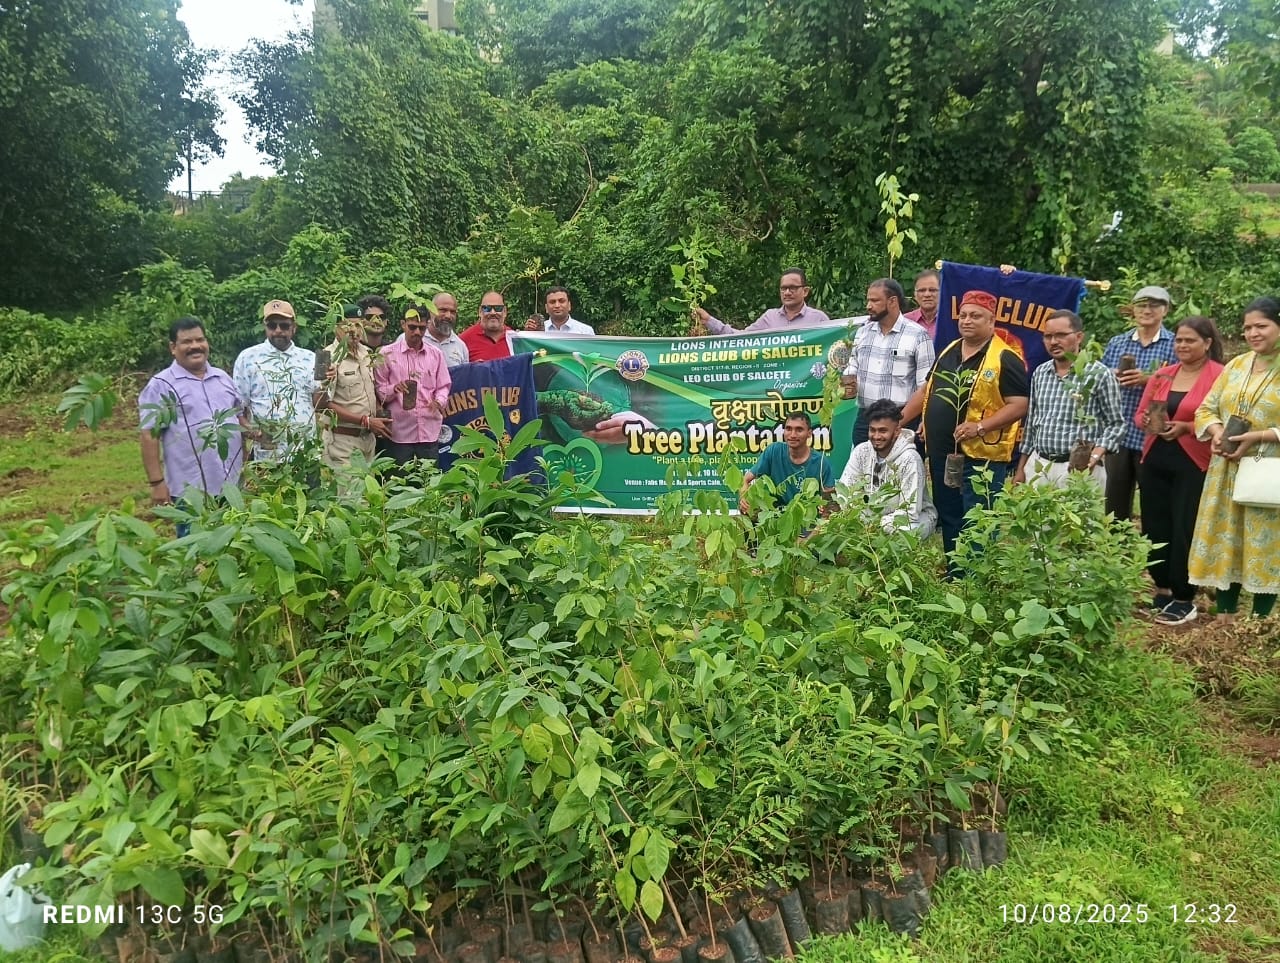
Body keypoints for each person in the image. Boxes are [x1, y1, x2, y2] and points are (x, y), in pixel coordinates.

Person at [903, 289, 1029, 562]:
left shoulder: (1005, 358)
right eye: (963, 315)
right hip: (944, 453)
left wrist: (981, 426)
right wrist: (904, 419)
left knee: (979, 517)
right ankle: (955, 572)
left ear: (992, 321)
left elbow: (1019, 404)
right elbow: (928, 390)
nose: (967, 320)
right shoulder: (949, 350)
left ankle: (978, 578)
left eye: (976, 316)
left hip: (981, 455)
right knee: (948, 512)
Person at [1188, 297, 1280, 621]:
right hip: (1226, 469)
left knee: (1264, 543)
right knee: (1226, 539)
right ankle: (1225, 619)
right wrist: (1215, 431)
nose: (1253, 333)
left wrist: (1258, 436)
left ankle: (1259, 623)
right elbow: (1207, 408)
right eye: (1247, 328)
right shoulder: (1237, 365)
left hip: (1266, 470)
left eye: (1261, 326)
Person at [1133, 316, 1225, 625]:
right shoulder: (1163, 374)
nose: (1182, 346)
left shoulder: (1220, 376)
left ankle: (1185, 595)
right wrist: (1145, 421)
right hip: (1156, 457)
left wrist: (1187, 426)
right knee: (1155, 523)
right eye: (1179, 340)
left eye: (1190, 340)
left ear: (1207, 343)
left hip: (1193, 461)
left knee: (1185, 525)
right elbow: (1140, 414)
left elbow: (1222, 418)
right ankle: (1162, 588)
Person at [139, 316, 248, 535]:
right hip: (191, 491)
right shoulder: (162, 385)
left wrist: (255, 435)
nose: (195, 346)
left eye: (200, 340)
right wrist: (156, 483)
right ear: (173, 347)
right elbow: (150, 435)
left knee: (235, 542)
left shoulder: (222, 378)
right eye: (187, 342)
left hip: (233, 485)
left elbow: (239, 419)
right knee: (198, 550)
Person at [1012, 309, 1124, 490]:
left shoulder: (1099, 374)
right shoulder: (1041, 372)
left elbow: (1116, 424)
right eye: (1048, 336)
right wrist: (1022, 469)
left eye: (1061, 335)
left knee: (1079, 518)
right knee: (1037, 518)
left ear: (1079, 337)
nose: (1054, 341)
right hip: (1040, 465)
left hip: (1079, 469)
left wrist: (1094, 457)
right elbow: (1032, 423)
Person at [1100, 285, 1177, 519]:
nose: (1147, 310)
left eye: (1154, 305)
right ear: (1133, 310)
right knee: (1115, 497)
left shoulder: (1174, 344)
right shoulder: (1118, 343)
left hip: (1151, 430)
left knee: (1154, 496)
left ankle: (1154, 547)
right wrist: (1112, 376)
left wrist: (1148, 380)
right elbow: (1100, 379)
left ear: (1165, 310)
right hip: (1120, 428)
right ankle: (1114, 548)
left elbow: (1180, 382)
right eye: (1141, 305)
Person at [840, 278, 934, 445]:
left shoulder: (918, 335)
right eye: (868, 300)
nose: (868, 306)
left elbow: (926, 388)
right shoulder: (862, 333)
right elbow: (852, 366)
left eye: (875, 300)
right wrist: (847, 380)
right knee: (864, 470)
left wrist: (898, 423)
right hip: (865, 419)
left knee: (901, 470)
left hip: (902, 419)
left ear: (892, 301)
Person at [233, 299, 319, 461]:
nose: (278, 330)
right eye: (272, 326)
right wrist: (254, 432)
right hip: (268, 456)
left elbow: (318, 402)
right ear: (265, 327)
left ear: (294, 327)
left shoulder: (309, 358)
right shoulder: (248, 358)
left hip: (306, 453)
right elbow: (237, 409)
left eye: (284, 325)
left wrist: (328, 382)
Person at [836, 399, 936, 537]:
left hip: (914, 519)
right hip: (870, 516)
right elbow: (845, 491)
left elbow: (910, 511)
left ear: (896, 431)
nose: (876, 436)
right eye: (872, 430)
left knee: (903, 532)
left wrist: (878, 525)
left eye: (883, 431)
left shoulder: (910, 458)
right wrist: (858, 517)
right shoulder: (861, 451)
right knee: (840, 523)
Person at [375, 306, 453, 468]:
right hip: (399, 434)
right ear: (403, 324)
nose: (417, 332)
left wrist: (439, 401)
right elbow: (379, 390)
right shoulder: (386, 354)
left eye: (422, 328)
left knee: (428, 486)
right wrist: (394, 389)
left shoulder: (435, 354)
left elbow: (444, 385)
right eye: (412, 327)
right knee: (399, 486)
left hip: (429, 431)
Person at [318, 308, 391, 474]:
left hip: (368, 440)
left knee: (368, 496)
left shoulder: (366, 353)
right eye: (347, 326)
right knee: (350, 497)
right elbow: (322, 405)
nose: (353, 331)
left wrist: (379, 414)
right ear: (336, 327)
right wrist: (364, 420)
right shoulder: (325, 357)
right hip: (342, 443)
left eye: (358, 325)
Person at [738, 412, 835, 512]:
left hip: (808, 522)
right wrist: (743, 497)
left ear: (809, 433)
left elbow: (830, 505)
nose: (792, 435)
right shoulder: (774, 451)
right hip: (774, 519)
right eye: (788, 429)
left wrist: (821, 521)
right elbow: (745, 479)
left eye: (799, 430)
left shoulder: (821, 463)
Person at [694, 268, 832, 334]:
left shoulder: (819, 319)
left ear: (805, 291)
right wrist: (709, 321)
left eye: (792, 288)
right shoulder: (769, 317)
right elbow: (742, 338)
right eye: (783, 288)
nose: (787, 292)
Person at [459, 291, 514, 361]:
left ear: (505, 312)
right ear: (480, 312)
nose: (493, 312)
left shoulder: (513, 338)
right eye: (487, 308)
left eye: (498, 308)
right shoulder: (464, 340)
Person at [526, 286, 595, 334]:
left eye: (561, 301)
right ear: (546, 308)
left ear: (569, 305)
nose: (557, 305)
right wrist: (527, 334)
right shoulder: (537, 330)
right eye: (552, 302)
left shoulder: (585, 331)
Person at [426, 292, 470, 365]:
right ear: (431, 311)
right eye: (443, 310)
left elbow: (464, 375)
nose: (448, 316)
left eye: (452, 312)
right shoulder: (414, 339)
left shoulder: (460, 346)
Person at [902, 268, 941, 340]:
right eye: (922, 290)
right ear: (915, 295)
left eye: (932, 290)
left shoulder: (950, 321)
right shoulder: (904, 321)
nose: (927, 294)